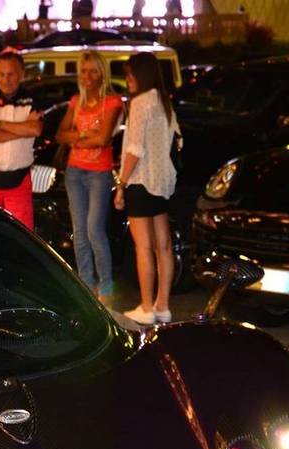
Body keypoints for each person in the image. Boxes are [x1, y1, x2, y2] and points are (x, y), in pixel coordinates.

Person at [114, 52, 181, 325]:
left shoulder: (140, 103)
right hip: (162, 181)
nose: (128, 80)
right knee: (163, 246)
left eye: (130, 75)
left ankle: (146, 306)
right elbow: (177, 140)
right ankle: (162, 306)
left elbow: (135, 149)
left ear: (140, 75)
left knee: (143, 247)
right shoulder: (164, 102)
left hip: (141, 181)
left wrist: (121, 184)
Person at [55, 50, 124, 305]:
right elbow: (60, 135)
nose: (87, 76)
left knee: (95, 230)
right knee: (80, 232)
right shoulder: (76, 101)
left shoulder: (113, 102)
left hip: (99, 173)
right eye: (83, 71)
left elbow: (103, 139)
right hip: (74, 172)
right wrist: (85, 137)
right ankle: (86, 286)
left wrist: (77, 138)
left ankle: (106, 288)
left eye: (93, 71)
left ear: (102, 74)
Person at [0, 50, 42, 230]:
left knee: (21, 235)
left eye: (11, 74)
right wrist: (22, 130)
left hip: (19, 181)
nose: (5, 80)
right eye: (1, 75)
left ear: (21, 74)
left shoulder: (32, 99)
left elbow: (35, 129)